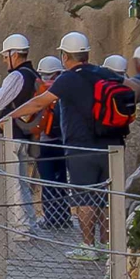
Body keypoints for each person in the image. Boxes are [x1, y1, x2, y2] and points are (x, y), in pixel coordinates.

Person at [11, 32, 127, 260]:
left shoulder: (68, 78)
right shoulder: (105, 73)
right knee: (104, 196)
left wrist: (9, 116)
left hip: (81, 146)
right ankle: (105, 244)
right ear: (87, 53)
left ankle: (87, 246)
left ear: (65, 56)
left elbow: (40, 102)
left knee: (84, 197)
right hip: (113, 144)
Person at [0, 33, 41, 231]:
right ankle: (29, 224)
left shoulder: (17, 75)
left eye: (6, 57)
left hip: (12, 135)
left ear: (14, 54)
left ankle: (21, 229)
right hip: (24, 133)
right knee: (21, 183)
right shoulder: (33, 74)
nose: (5, 61)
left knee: (14, 184)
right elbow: (12, 100)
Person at [31, 56, 71, 230]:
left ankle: (51, 218)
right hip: (62, 143)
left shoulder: (40, 91)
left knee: (47, 182)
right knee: (61, 180)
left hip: (44, 143)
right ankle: (64, 216)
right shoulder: (65, 90)